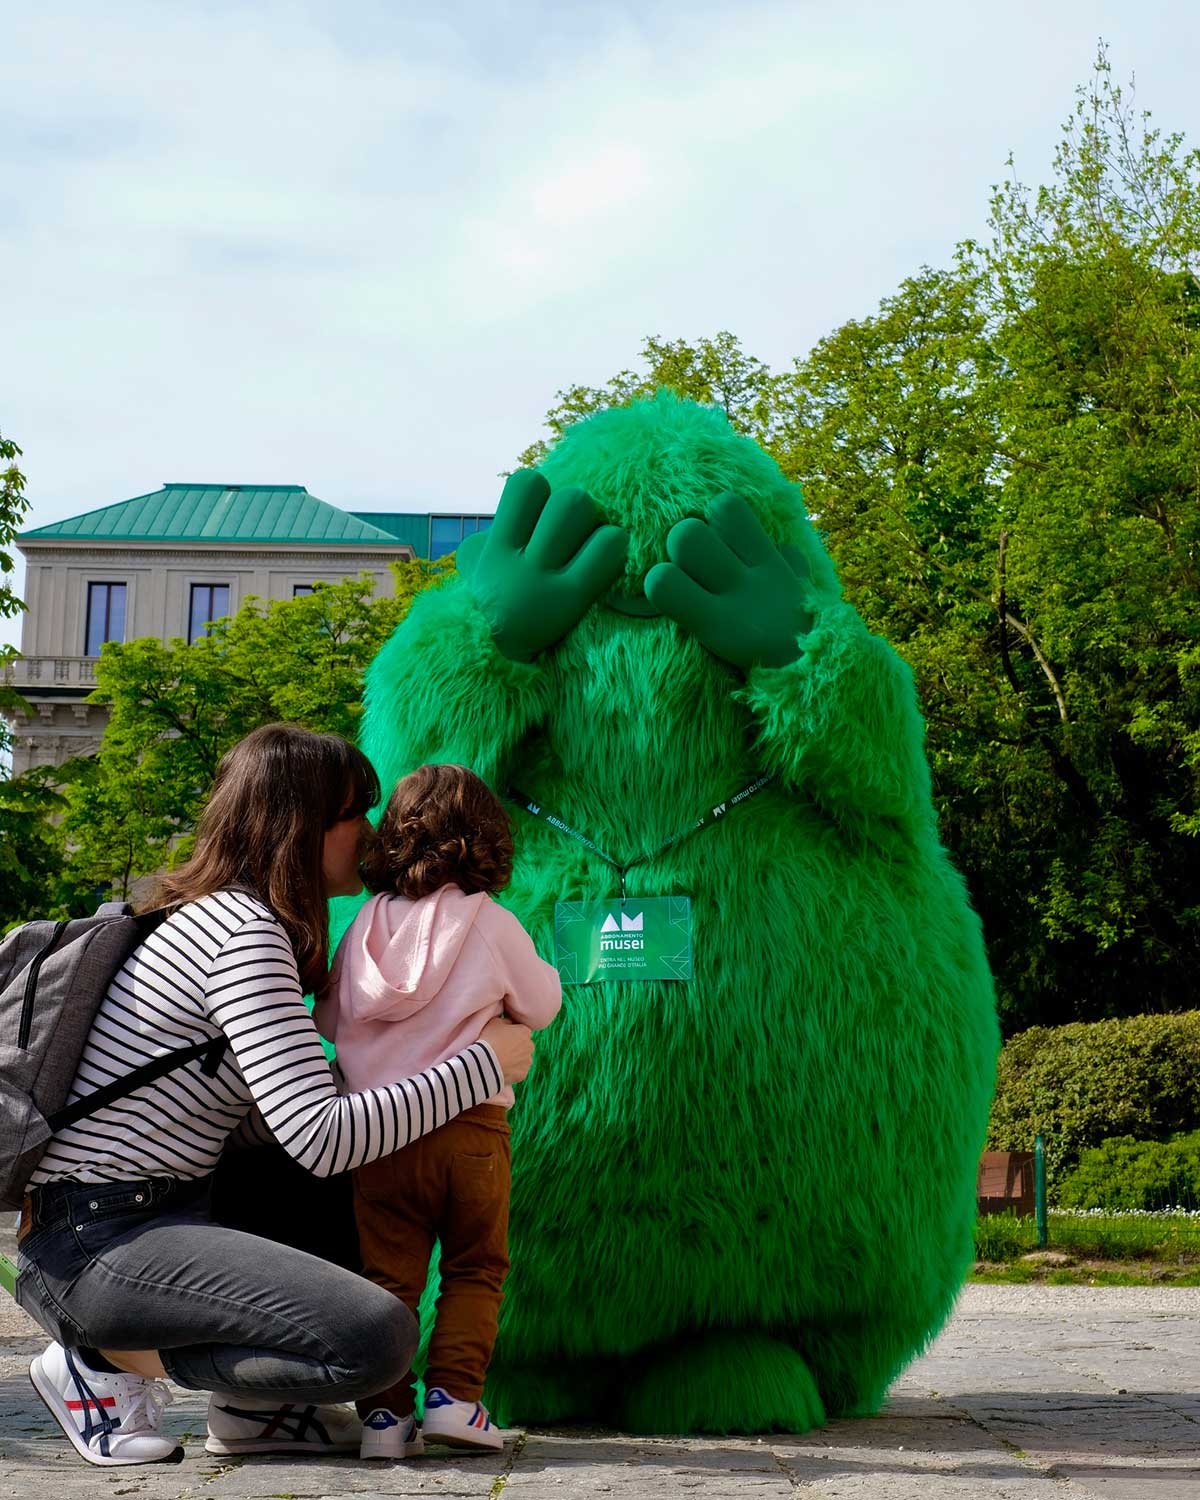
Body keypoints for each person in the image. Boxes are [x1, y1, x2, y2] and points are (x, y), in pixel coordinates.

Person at [14, 724, 535, 1469]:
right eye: (360, 812)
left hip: (142, 1216)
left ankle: (257, 1409)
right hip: (100, 1243)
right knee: (376, 1342)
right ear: (307, 825)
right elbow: (321, 1135)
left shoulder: (222, 919)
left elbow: (274, 1131)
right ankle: (100, 1364)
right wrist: (481, 1066)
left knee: (368, 1186)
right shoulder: (243, 931)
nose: (376, 833)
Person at [316, 763, 562, 1460]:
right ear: (486, 839)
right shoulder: (490, 921)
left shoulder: (362, 924)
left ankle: (385, 1420)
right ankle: (456, 1400)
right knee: (474, 1266)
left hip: (379, 1134)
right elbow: (542, 1004)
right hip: (471, 1129)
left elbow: (331, 1017)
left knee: (386, 1279)